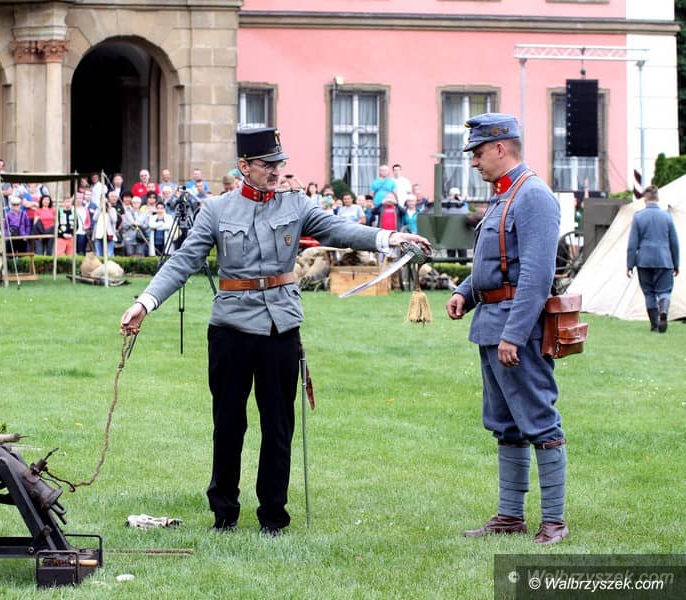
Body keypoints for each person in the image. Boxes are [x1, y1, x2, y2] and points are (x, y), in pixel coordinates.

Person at [119, 127, 430, 536]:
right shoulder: (216, 210)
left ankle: (273, 517)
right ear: (244, 166)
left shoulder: (296, 204)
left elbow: (338, 229)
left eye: (279, 164)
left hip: (281, 327)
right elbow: (183, 261)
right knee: (228, 425)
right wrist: (145, 302)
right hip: (230, 329)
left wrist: (389, 237)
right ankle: (224, 513)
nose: (275, 171)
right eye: (267, 165)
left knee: (279, 425)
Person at [445, 113, 568, 546]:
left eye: (479, 153)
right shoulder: (505, 194)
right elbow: (494, 260)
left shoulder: (532, 196)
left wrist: (514, 335)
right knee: (505, 424)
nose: (474, 162)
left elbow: (536, 276)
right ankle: (510, 516)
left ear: (501, 148)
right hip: (490, 324)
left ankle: (554, 521)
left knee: (539, 421)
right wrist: (465, 291)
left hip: (517, 330)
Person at [626, 185, 680, 332]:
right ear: (657, 198)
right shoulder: (667, 217)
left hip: (644, 261)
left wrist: (630, 264)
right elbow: (674, 243)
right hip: (664, 260)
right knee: (664, 291)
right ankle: (663, 310)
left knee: (649, 293)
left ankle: (655, 325)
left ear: (645, 199)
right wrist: (676, 264)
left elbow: (632, 244)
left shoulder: (638, 217)